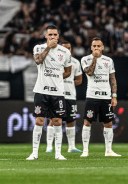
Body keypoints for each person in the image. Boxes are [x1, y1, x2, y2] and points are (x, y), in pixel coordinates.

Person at [26, 25, 72, 160]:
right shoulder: (38, 48)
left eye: (55, 35)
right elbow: (38, 60)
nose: (52, 37)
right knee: (39, 120)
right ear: (46, 36)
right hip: (41, 91)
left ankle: (58, 153)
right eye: (50, 35)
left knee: (57, 121)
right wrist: (48, 48)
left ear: (58, 36)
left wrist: (56, 77)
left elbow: (68, 71)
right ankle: (34, 153)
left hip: (58, 92)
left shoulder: (65, 52)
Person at [80, 37, 121, 157]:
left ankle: (108, 150)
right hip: (92, 96)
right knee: (87, 122)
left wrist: (114, 96)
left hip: (106, 97)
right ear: (91, 47)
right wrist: (94, 58)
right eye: (94, 46)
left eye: (99, 46)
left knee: (108, 123)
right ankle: (85, 151)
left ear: (103, 47)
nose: (96, 48)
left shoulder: (108, 60)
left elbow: (112, 79)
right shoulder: (85, 59)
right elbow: (89, 72)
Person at [46, 41, 83, 153]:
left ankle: (71, 147)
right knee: (53, 119)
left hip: (70, 95)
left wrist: (70, 84)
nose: (67, 50)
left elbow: (79, 80)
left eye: (69, 48)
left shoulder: (76, 62)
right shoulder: (54, 61)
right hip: (57, 94)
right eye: (65, 48)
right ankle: (49, 146)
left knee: (70, 120)